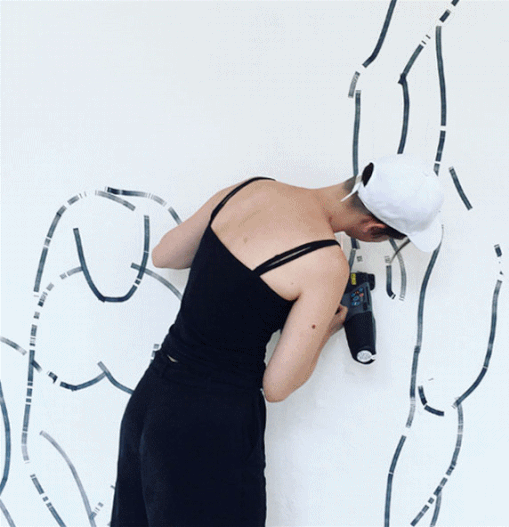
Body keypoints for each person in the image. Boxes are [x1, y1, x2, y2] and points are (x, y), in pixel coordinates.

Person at [110, 153, 444, 526]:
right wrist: (325, 329)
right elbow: (277, 386)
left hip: (151, 400)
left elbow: (166, 254)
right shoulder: (326, 263)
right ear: (373, 227)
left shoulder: (254, 188)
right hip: (211, 427)